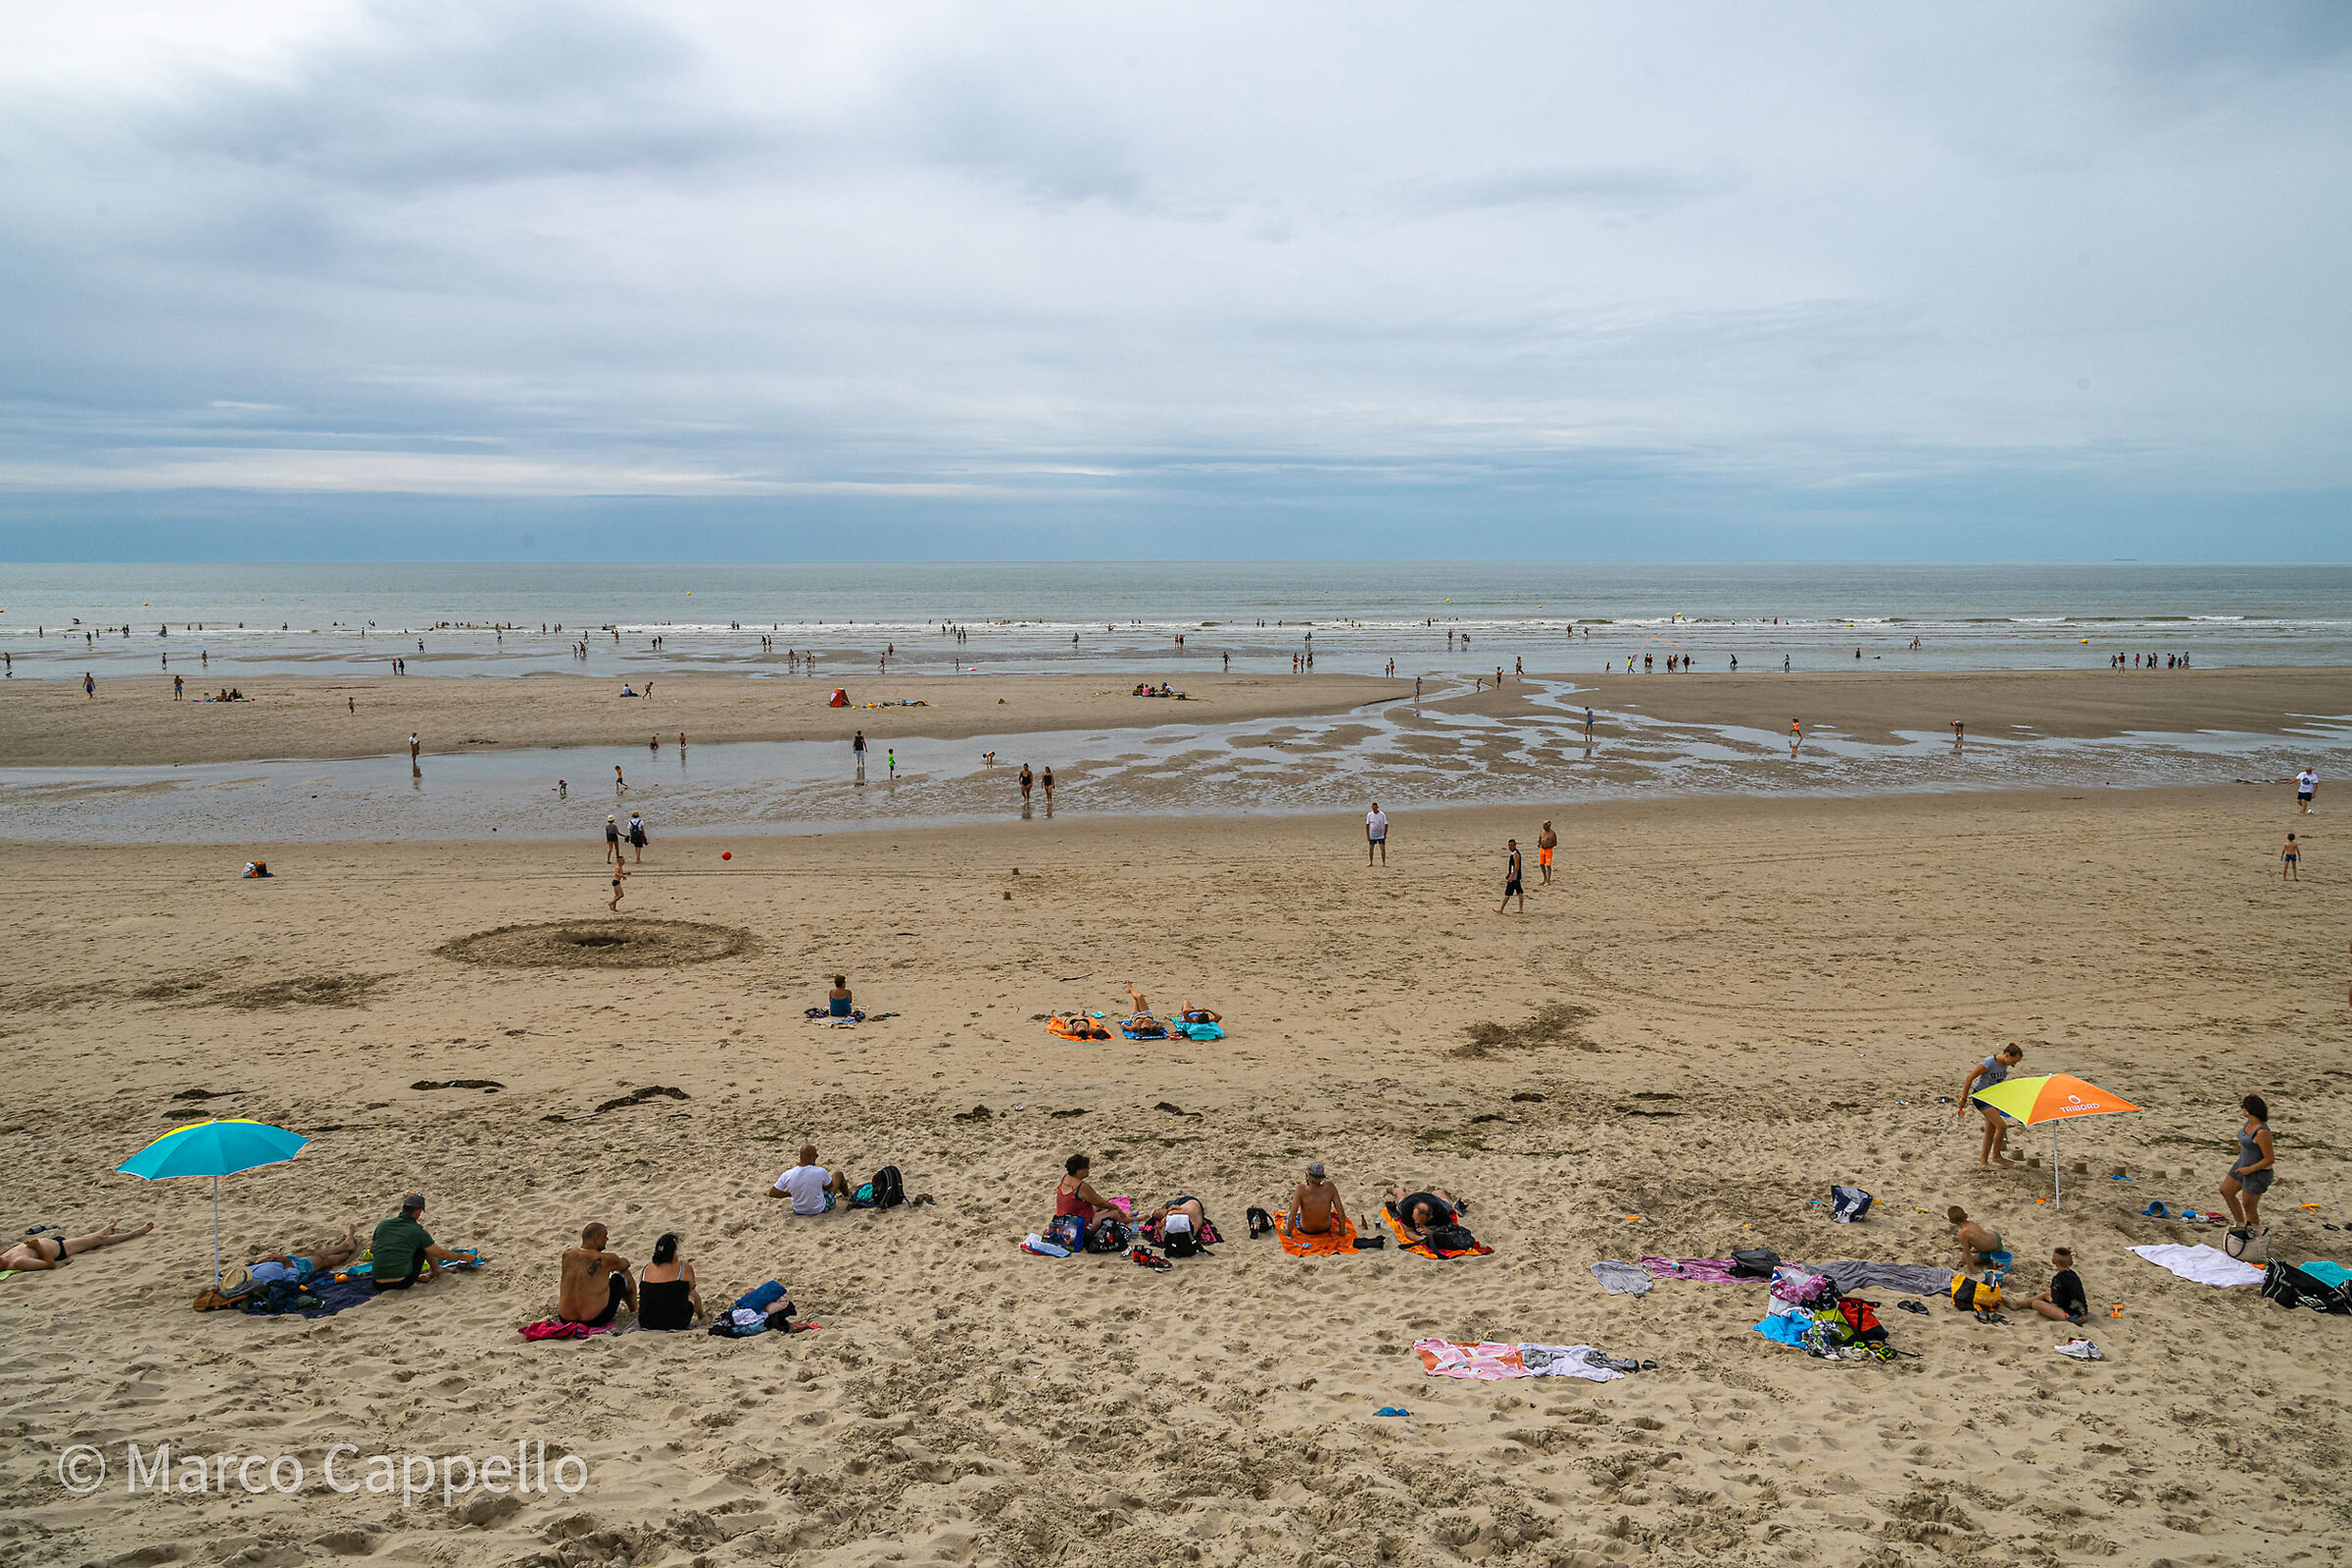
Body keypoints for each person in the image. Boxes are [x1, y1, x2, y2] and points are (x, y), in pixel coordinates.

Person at [369, 1194, 464, 1291]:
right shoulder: (418, 1231)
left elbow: (372, 1250)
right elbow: (440, 1253)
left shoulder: (383, 1225)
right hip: (402, 1283)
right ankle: (436, 1271)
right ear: (417, 1212)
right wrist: (461, 1256)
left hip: (377, 1283)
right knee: (424, 1247)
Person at [0, 1219, 154, 1272]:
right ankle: (136, 1233)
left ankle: (107, 1228)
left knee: (89, 1239)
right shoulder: (19, 1262)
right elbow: (50, 1265)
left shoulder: (4, 1256)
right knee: (99, 1240)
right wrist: (37, 1247)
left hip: (55, 1242)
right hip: (61, 1250)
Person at [1959, 1045, 2026, 1166]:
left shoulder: (2005, 1064)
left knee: (1990, 1130)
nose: (2014, 1065)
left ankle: (1983, 1160)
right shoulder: (1989, 1063)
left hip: (1993, 1098)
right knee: (2002, 1126)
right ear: (2007, 1055)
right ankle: (1996, 1156)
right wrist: (1964, 1098)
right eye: (2014, 1061)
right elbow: (1970, 1078)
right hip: (1981, 1097)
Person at [558, 1223, 636, 1327]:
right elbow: (625, 1264)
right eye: (605, 1236)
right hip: (595, 1319)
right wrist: (614, 1264)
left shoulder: (567, 1255)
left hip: (565, 1318)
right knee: (624, 1274)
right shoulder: (606, 1259)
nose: (606, 1239)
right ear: (596, 1238)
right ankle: (634, 1311)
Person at [245, 1225, 363, 1292]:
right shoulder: (257, 1285)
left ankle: (344, 1246)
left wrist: (264, 1260)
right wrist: (286, 1263)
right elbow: (290, 1283)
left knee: (310, 1252)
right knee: (322, 1260)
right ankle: (346, 1253)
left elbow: (249, 1266)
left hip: (280, 1261)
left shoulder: (235, 1279)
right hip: (293, 1268)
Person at [2222, 1095, 2275, 1233]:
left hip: (2257, 1172)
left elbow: (2269, 1159)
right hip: (2242, 1164)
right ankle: (2239, 1224)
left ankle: (2254, 1235)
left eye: (2243, 1107)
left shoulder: (2262, 1132)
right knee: (2226, 1191)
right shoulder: (2248, 1124)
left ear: (2248, 1111)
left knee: (2249, 1206)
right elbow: (2247, 1141)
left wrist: (2249, 1170)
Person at [1054, 1153, 1122, 1247]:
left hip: (1062, 1222)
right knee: (1113, 1212)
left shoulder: (1066, 1178)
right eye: (1086, 1168)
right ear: (1079, 1171)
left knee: (1097, 1206)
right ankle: (1129, 1219)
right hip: (1078, 1227)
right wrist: (1117, 1207)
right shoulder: (1081, 1186)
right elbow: (1101, 1202)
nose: (1088, 1170)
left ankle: (1126, 1216)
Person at [637, 1233, 703, 1330]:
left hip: (646, 1322)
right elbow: (691, 1288)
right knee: (692, 1293)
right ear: (673, 1252)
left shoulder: (646, 1269)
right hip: (677, 1323)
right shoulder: (683, 1268)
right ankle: (702, 1317)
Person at [770, 1145, 853, 1213]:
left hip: (799, 1210)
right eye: (815, 1156)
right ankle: (848, 1196)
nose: (815, 1159)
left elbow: (773, 1193)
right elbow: (829, 1186)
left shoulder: (787, 1174)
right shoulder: (820, 1171)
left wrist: (790, 1194)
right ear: (809, 1157)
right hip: (819, 1209)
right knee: (838, 1175)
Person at [2030, 1248, 2089, 1324]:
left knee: (2036, 1304)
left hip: (2072, 1316)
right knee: (2047, 1293)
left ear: (2053, 1261)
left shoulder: (2058, 1279)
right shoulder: (2073, 1275)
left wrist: (2050, 1296)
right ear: (2071, 1263)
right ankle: (2018, 1304)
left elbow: (2057, 1302)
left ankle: (2019, 1304)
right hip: (2083, 1312)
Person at [1385, 1187, 1463, 1242]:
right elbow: (1408, 1231)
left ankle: (1439, 1192)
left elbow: (1448, 1228)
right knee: (1401, 1199)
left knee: (1448, 1206)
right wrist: (1421, 1239)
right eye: (1415, 1220)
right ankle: (1398, 1190)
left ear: (1430, 1218)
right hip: (1411, 1199)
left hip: (1432, 1199)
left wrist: (1431, 1233)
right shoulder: (1407, 1208)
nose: (1416, 1223)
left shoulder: (1440, 1211)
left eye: (1420, 1222)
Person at [1290, 1162, 1348, 1235]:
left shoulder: (1301, 1190)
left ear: (1307, 1176)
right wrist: (1341, 1232)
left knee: (1296, 1213)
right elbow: (1341, 1213)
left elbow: (1292, 1217)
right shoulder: (1330, 1188)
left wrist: (1287, 1233)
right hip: (1325, 1228)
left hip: (1306, 1229)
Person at [1946, 1206, 2004, 1274]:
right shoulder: (1971, 1223)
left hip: (1993, 1251)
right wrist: (1962, 1259)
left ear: (1951, 1221)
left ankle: (1986, 1257)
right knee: (1977, 1241)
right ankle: (1980, 1249)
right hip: (1996, 1237)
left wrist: (1971, 1270)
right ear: (1966, 1215)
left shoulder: (1963, 1234)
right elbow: (1969, 1246)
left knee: (1972, 1260)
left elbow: (1967, 1254)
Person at [1497, 839, 1524, 913]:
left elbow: (1517, 866)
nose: (1510, 847)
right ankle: (1520, 909)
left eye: (1511, 845)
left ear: (1515, 845)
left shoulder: (1515, 854)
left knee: (1508, 892)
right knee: (1519, 891)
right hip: (1515, 875)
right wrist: (1508, 873)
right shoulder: (1513, 853)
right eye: (1509, 845)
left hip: (1514, 876)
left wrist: (1511, 876)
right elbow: (1512, 866)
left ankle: (1501, 909)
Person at [1365, 802, 1388, 866]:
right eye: (1373, 808)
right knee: (1371, 848)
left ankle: (1384, 862)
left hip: (1380, 834)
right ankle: (1371, 862)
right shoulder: (1369, 814)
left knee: (1382, 848)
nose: (1374, 809)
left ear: (1377, 807)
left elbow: (1386, 824)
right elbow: (1367, 825)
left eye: (1375, 808)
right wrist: (1368, 835)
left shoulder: (1382, 814)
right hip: (1372, 834)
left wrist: (1385, 834)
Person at [1537, 820, 1557, 885]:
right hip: (1542, 849)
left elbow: (1555, 843)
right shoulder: (1542, 832)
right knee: (1541, 864)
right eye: (1544, 825)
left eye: (1545, 825)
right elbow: (1539, 840)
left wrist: (1549, 845)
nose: (1544, 826)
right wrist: (1539, 844)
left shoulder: (1552, 833)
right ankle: (1545, 878)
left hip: (1548, 850)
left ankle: (1548, 880)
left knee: (1548, 865)